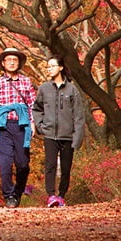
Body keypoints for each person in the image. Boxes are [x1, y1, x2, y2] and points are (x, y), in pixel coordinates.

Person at [0, 47, 36, 208]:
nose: (12, 62)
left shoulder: (26, 81)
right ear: (3, 63)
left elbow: (32, 104)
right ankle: (9, 195)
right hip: (3, 126)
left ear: (19, 63)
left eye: (15, 60)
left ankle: (18, 191)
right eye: (9, 60)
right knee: (5, 163)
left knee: (23, 164)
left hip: (21, 125)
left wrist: (33, 123)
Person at [33, 56, 86, 208]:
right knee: (49, 166)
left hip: (67, 136)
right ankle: (51, 196)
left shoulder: (72, 90)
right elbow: (37, 109)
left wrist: (77, 138)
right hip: (50, 135)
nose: (49, 69)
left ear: (61, 67)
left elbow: (78, 116)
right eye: (47, 66)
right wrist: (41, 126)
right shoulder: (44, 88)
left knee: (66, 167)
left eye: (52, 66)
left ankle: (61, 196)